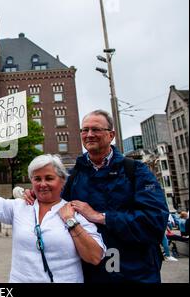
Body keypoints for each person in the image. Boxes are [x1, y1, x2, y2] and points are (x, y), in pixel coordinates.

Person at [51, 110, 168, 283]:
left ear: (111, 135)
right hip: (92, 271)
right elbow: (55, 206)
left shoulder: (136, 171)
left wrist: (101, 217)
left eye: (96, 129)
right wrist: (34, 195)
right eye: (85, 130)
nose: (89, 135)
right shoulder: (75, 175)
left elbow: (155, 221)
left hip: (135, 271)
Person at [0, 139, 105, 283]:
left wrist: (71, 222)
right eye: (37, 179)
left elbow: (95, 257)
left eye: (49, 178)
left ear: (62, 180)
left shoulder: (74, 211)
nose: (43, 184)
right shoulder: (20, 206)